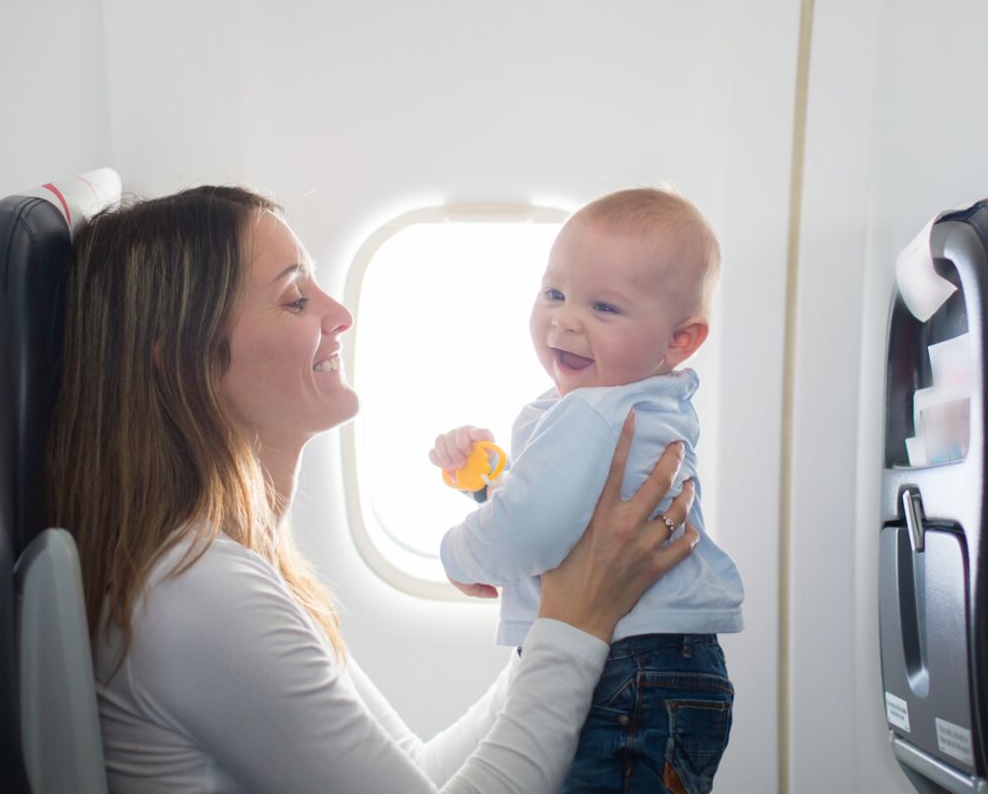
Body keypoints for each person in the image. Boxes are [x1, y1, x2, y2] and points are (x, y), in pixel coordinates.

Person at [46, 185, 701, 794]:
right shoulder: (196, 591)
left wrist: (569, 608)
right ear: (186, 357)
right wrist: (573, 622)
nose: (339, 313)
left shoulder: (241, 567)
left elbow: (416, 772)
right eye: (296, 298)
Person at [429, 187, 744, 793]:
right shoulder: (638, 403)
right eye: (554, 293)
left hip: (627, 671)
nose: (565, 319)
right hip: (666, 669)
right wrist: (487, 483)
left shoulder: (593, 414)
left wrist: (457, 554)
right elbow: (565, 512)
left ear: (680, 340)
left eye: (604, 307)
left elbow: (532, 530)